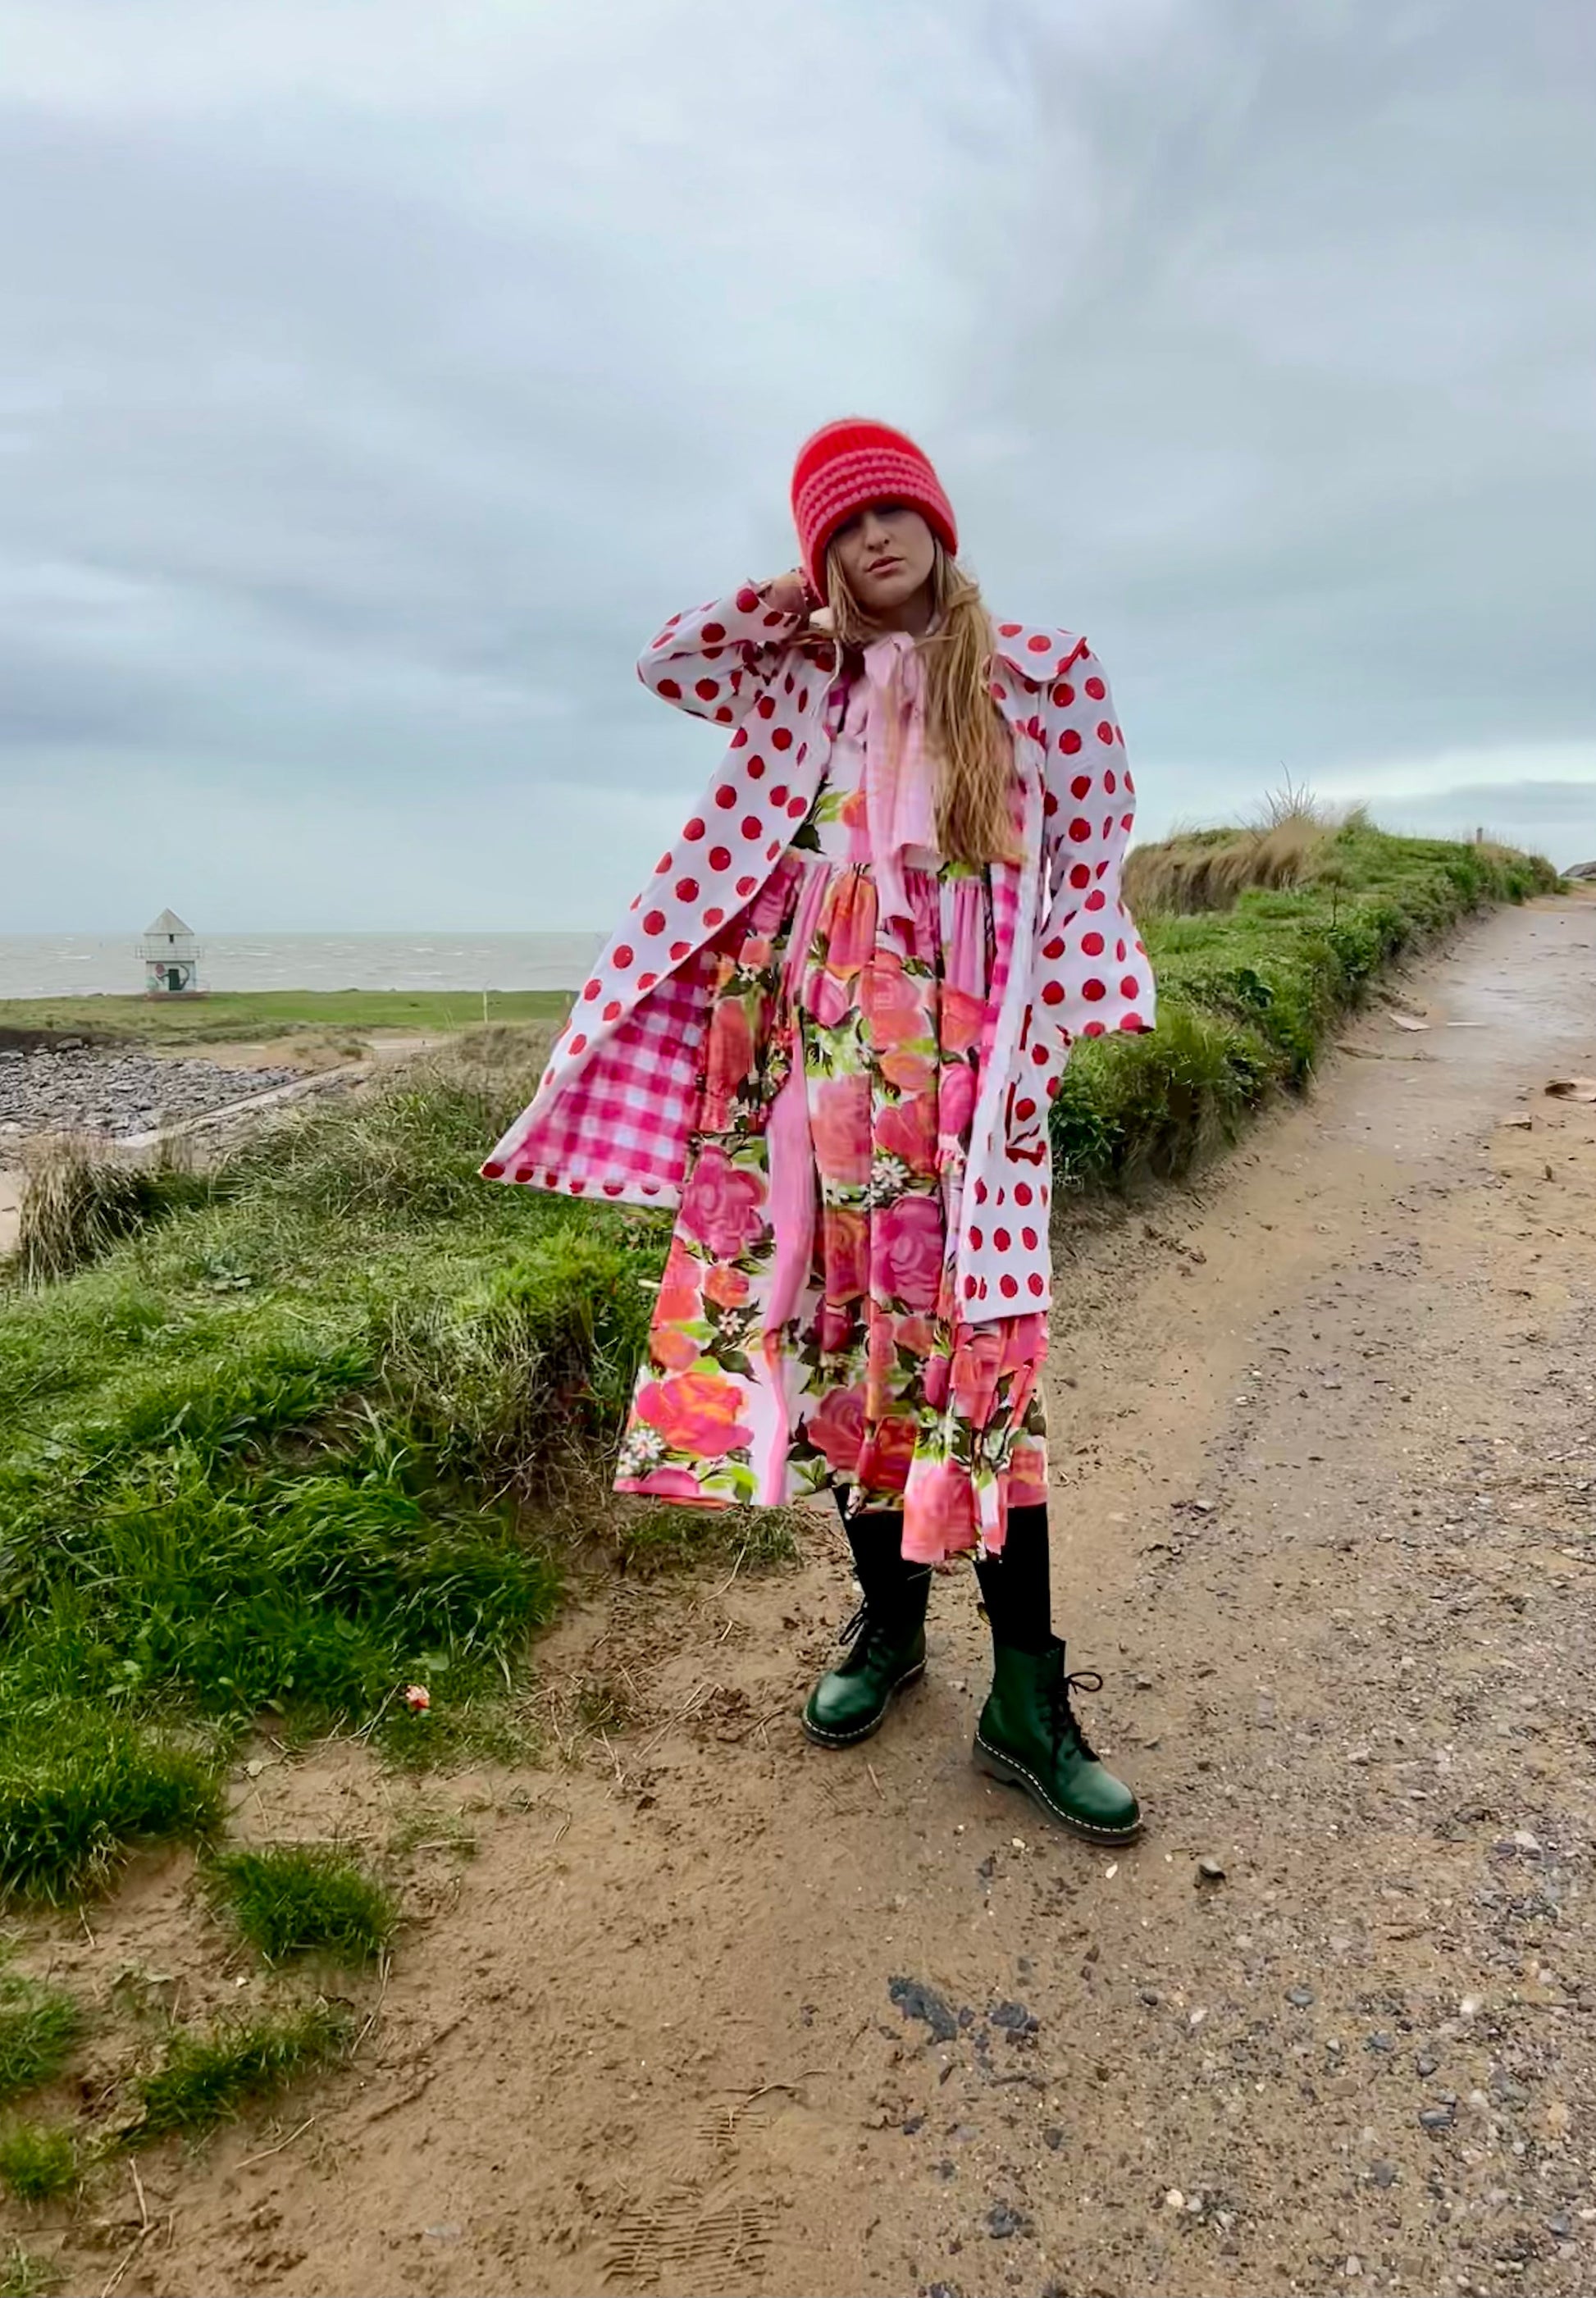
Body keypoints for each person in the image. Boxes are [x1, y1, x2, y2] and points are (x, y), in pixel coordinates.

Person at [482, 418, 1155, 1842]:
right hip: (805, 1068)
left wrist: (1037, 1055)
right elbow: (671, 660)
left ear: (940, 523)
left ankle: (1025, 1696)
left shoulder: (1040, 676)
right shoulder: (801, 674)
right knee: (835, 1340)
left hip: (964, 1083)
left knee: (982, 1366)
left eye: (891, 510)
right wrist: (793, 594)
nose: (872, 538)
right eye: (841, 524)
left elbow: (1089, 866)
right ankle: (888, 1622)